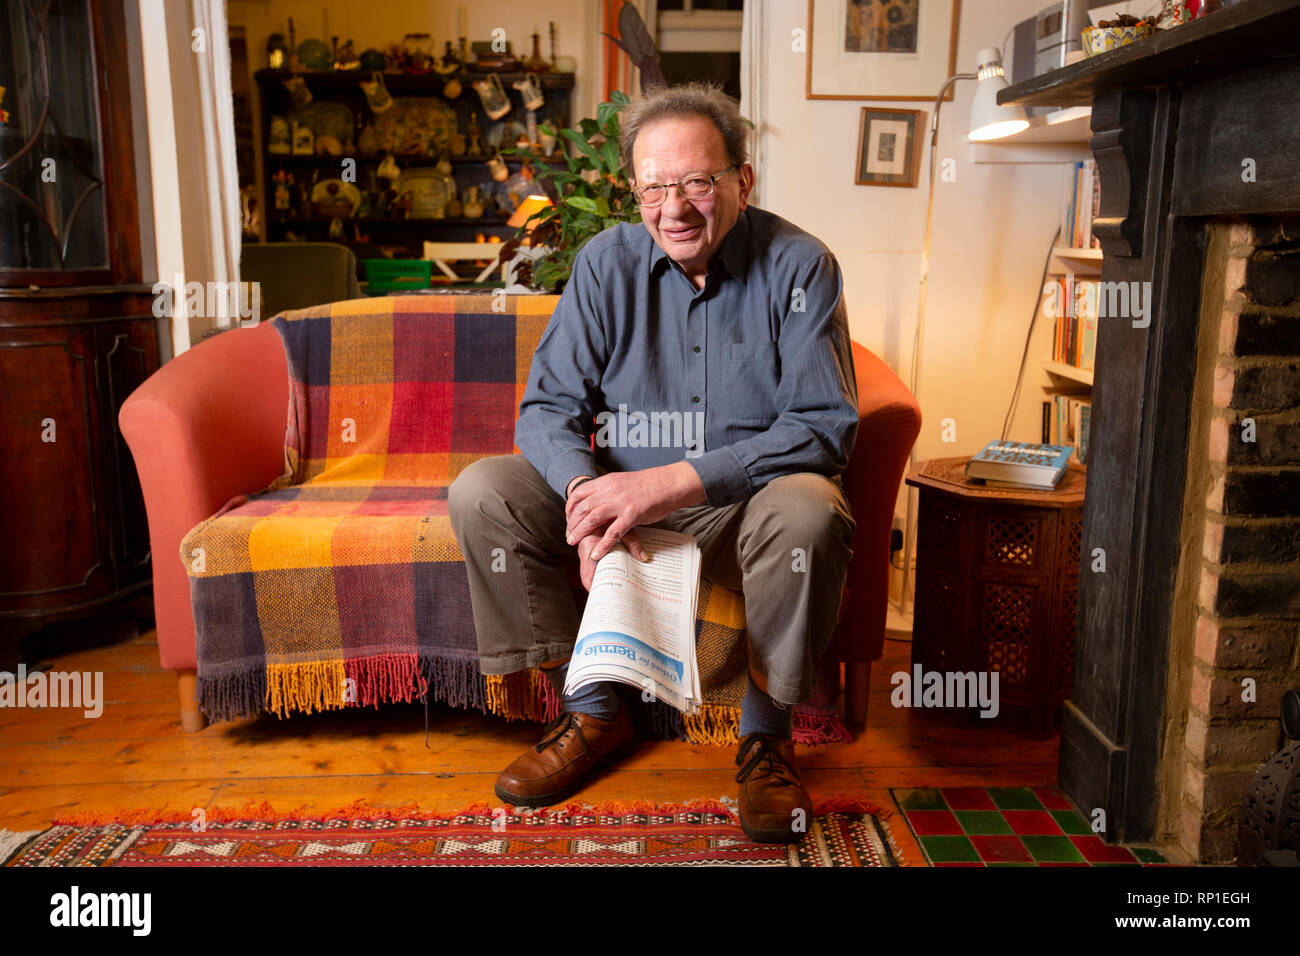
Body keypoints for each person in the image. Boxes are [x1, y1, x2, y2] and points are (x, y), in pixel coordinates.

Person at [448, 81, 858, 843]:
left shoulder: (803, 267)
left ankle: (767, 741)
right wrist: (585, 497)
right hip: (619, 503)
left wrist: (669, 484)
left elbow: (825, 426)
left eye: (698, 181)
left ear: (743, 179)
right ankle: (595, 714)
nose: (675, 207)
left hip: (747, 509)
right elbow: (545, 410)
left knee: (811, 510)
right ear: (635, 192)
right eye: (654, 188)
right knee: (483, 493)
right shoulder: (606, 265)